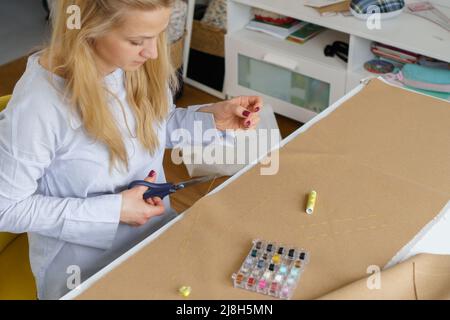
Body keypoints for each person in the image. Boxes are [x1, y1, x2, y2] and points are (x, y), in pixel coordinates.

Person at [0, 0, 262, 299]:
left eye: (158, 35)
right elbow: (6, 208)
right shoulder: (39, 107)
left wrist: (211, 121)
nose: (152, 52)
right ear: (88, 27)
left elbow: (154, 127)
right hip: (85, 269)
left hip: (154, 233)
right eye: (137, 41)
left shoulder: (133, 65)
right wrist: (115, 210)